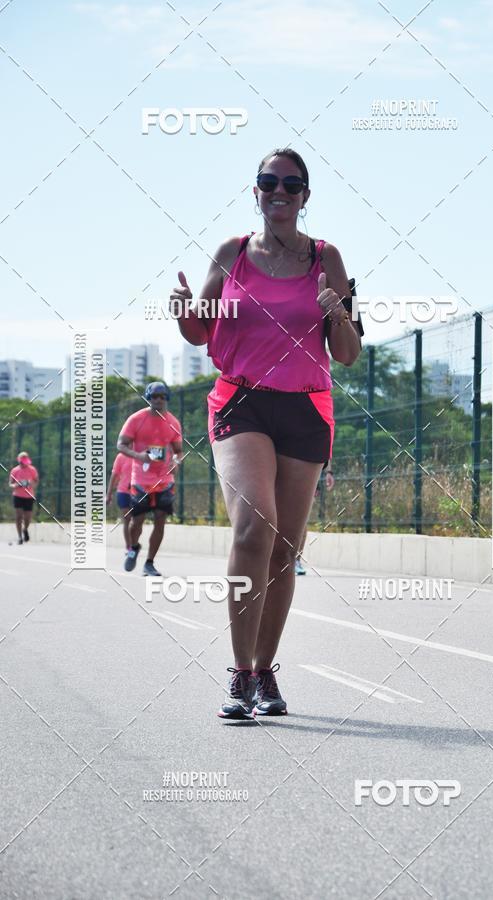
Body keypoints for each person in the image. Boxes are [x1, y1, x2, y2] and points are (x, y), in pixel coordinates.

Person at [170, 147, 363, 719]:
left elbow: (348, 355)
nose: (279, 190)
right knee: (255, 527)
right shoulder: (232, 253)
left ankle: (263, 671)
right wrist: (183, 310)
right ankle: (238, 675)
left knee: (284, 551)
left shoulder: (326, 259)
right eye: (267, 181)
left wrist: (337, 313)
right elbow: (201, 334)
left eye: (291, 183)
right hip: (242, 401)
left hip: (306, 407)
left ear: (306, 195)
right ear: (255, 191)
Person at [116, 382, 183, 577]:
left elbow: (178, 451)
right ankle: (134, 547)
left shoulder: (173, 422)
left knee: (161, 520)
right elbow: (121, 445)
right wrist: (140, 456)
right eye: (154, 396)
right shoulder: (136, 419)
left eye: (162, 396)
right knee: (137, 521)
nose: (159, 400)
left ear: (167, 398)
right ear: (148, 398)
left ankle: (150, 562)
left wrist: (176, 462)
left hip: (164, 479)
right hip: (141, 480)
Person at [295, 463, 335, 575]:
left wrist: (329, 472)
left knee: (301, 521)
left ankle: (296, 560)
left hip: (307, 471)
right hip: (281, 467)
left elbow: (328, 448)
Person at [8, 451, 39, 545]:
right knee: (18, 516)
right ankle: (20, 537)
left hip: (29, 496)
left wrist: (30, 484)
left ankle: (25, 529)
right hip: (17, 496)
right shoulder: (14, 470)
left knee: (28, 517)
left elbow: (36, 481)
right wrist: (16, 485)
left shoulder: (32, 469)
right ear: (19, 460)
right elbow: (10, 484)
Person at [105, 452, 133, 552]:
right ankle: (129, 547)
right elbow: (114, 476)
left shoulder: (141, 454)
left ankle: (134, 543)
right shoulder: (121, 457)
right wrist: (108, 495)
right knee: (127, 518)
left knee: (136, 521)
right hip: (123, 492)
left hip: (137, 492)